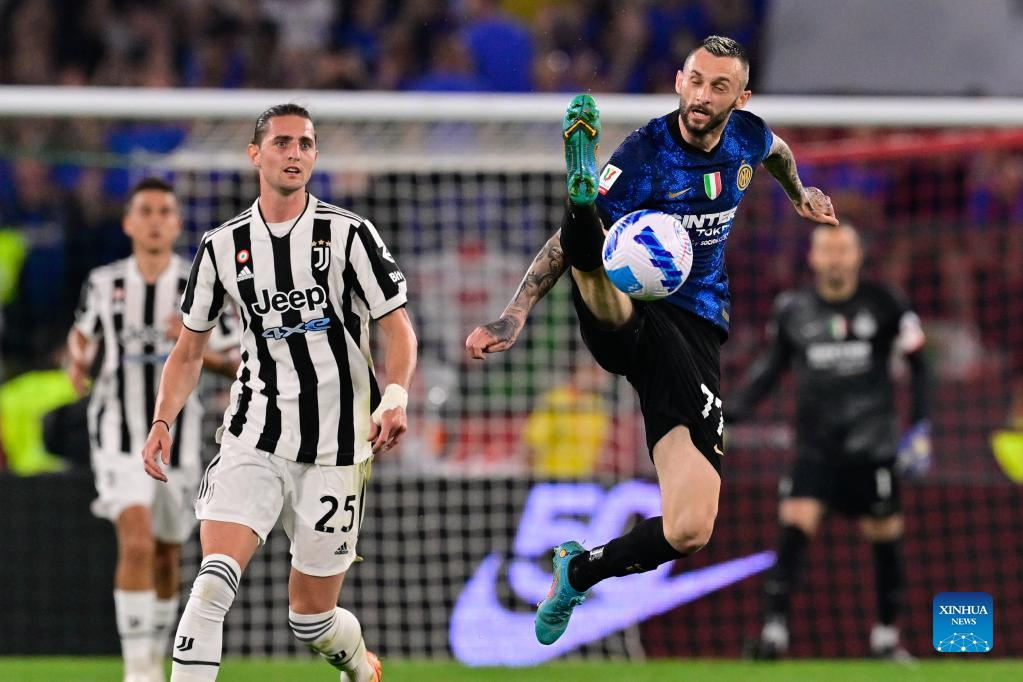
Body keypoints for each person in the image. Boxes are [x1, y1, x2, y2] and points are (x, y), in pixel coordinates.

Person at [465, 35, 838, 645]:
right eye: (695, 80)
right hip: (632, 308)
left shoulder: (747, 135)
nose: (702, 95)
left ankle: (577, 571)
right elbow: (556, 250)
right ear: (679, 81)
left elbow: (777, 151)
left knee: (691, 528)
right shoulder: (644, 153)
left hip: (696, 337)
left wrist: (799, 194)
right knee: (591, 257)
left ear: (741, 98)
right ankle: (583, 203)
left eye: (719, 87)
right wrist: (515, 313)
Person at [142, 104, 416, 682]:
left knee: (310, 620)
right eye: (283, 143)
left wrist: (395, 394)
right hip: (254, 436)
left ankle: (360, 667)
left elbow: (397, 328)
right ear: (255, 154)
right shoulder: (221, 247)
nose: (295, 154)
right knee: (212, 584)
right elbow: (187, 352)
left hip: (338, 448)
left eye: (305, 144)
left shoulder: (349, 235)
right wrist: (163, 420)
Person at [731, 223, 930, 660]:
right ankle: (774, 633)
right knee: (794, 525)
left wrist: (920, 427)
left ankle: (885, 638)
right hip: (816, 447)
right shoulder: (792, 309)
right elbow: (769, 370)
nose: (835, 258)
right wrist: (728, 413)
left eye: (843, 250)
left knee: (886, 536)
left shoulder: (887, 303)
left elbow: (920, 365)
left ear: (859, 256)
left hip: (873, 445)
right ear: (813, 258)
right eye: (827, 250)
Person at [67, 178, 240, 682]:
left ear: (177, 223)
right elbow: (80, 335)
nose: (155, 220)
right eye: (145, 211)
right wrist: (77, 359)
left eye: (165, 211)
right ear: (128, 223)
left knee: (166, 555)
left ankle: (154, 654)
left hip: (178, 442)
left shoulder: (197, 284)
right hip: (117, 433)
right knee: (137, 540)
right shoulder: (103, 284)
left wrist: (194, 346)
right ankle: (138, 668)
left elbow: (238, 361)